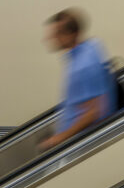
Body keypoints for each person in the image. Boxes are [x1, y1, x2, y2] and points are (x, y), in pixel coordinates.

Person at [38, 8, 118, 151]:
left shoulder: (82, 66)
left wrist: (58, 139)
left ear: (70, 35)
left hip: (81, 145)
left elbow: (94, 112)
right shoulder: (91, 47)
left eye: (56, 34)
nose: (50, 38)